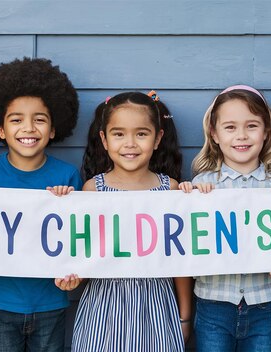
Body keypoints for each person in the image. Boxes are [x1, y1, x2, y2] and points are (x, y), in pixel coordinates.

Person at [0, 57, 82, 352]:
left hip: (51, 302)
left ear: (54, 129)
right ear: (1, 130)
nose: (28, 128)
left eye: (40, 119)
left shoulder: (67, 175)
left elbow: (78, 240)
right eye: (16, 119)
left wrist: (74, 275)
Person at [72, 91, 192, 352]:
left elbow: (180, 259)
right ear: (104, 139)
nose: (130, 143)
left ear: (158, 138)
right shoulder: (93, 189)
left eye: (141, 133)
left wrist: (185, 315)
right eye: (118, 134)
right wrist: (71, 276)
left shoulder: (170, 189)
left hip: (157, 306)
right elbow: (84, 253)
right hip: (103, 307)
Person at [179, 84, 271, 351]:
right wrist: (186, 198)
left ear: (266, 132)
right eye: (230, 127)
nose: (241, 136)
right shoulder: (201, 185)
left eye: (251, 126)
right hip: (213, 302)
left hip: (264, 301)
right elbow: (186, 240)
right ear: (214, 134)